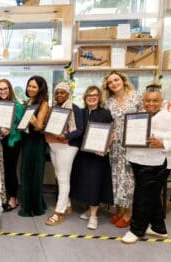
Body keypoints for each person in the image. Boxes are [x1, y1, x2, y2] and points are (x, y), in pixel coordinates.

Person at [122, 87, 171, 244]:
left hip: (157, 163)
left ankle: (136, 230)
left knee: (142, 196)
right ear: (143, 101)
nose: (151, 103)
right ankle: (159, 228)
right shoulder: (139, 117)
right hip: (138, 160)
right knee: (151, 195)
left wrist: (163, 143)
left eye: (155, 100)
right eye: (148, 100)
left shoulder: (170, 119)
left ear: (162, 101)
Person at [70, 86, 114, 230]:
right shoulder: (81, 113)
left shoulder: (105, 113)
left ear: (99, 97)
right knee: (85, 183)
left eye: (94, 95)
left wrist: (106, 148)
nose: (91, 97)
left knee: (95, 184)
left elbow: (111, 133)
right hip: (82, 155)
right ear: (85, 97)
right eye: (89, 95)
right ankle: (90, 209)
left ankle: (94, 216)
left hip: (98, 155)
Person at [102, 71, 141, 228]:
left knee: (129, 179)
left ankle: (128, 213)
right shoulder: (108, 102)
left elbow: (146, 117)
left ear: (123, 80)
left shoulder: (136, 96)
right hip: (115, 145)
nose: (114, 83)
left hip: (133, 143)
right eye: (110, 82)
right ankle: (118, 209)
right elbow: (108, 124)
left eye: (116, 80)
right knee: (116, 178)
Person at [45, 82, 83, 226]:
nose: (59, 95)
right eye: (57, 92)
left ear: (68, 94)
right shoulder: (54, 109)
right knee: (58, 175)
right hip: (53, 145)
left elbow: (79, 130)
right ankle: (66, 206)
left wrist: (66, 137)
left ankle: (59, 212)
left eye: (63, 92)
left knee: (63, 178)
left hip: (67, 147)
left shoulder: (74, 109)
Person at [19, 76, 49, 217]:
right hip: (27, 141)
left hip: (36, 142)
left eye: (34, 87)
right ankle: (29, 203)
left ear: (40, 89)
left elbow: (38, 127)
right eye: (29, 86)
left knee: (34, 174)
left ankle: (34, 207)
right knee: (26, 173)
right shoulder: (30, 102)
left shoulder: (43, 104)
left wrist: (32, 119)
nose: (30, 89)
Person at [0, 79, 24, 211]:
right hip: (0, 141)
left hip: (13, 141)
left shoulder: (17, 105)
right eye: (0, 89)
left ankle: (13, 198)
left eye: (5, 88)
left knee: (11, 170)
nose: (3, 91)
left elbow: (22, 125)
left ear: (10, 89)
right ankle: (5, 196)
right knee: (3, 170)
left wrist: (10, 129)